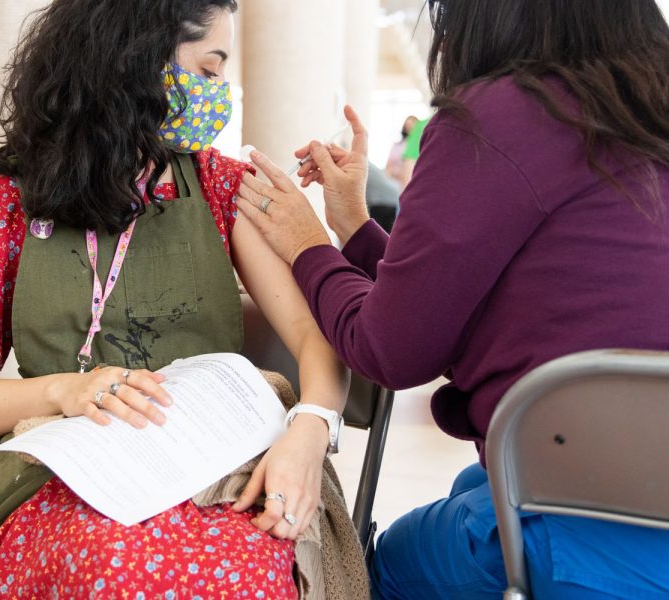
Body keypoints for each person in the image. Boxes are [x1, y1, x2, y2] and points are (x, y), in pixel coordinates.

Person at [235, 0, 669, 598]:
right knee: (471, 484)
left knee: (378, 566)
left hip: (586, 523)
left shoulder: (498, 116)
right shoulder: (644, 121)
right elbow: (457, 312)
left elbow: (391, 350)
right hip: (631, 487)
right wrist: (357, 230)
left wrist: (307, 244)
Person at [0, 1, 359, 598]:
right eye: (209, 71)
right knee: (108, 564)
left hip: (214, 459)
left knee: (241, 570)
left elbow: (315, 334)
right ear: (137, 61)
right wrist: (67, 390)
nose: (219, 93)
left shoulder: (218, 184)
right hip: (66, 468)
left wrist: (311, 428)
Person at [384, 115, 417, 185]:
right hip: (394, 181)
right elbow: (388, 167)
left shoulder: (419, 146)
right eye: (407, 125)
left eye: (412, 125)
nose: (410, 128)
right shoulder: (397, 145)